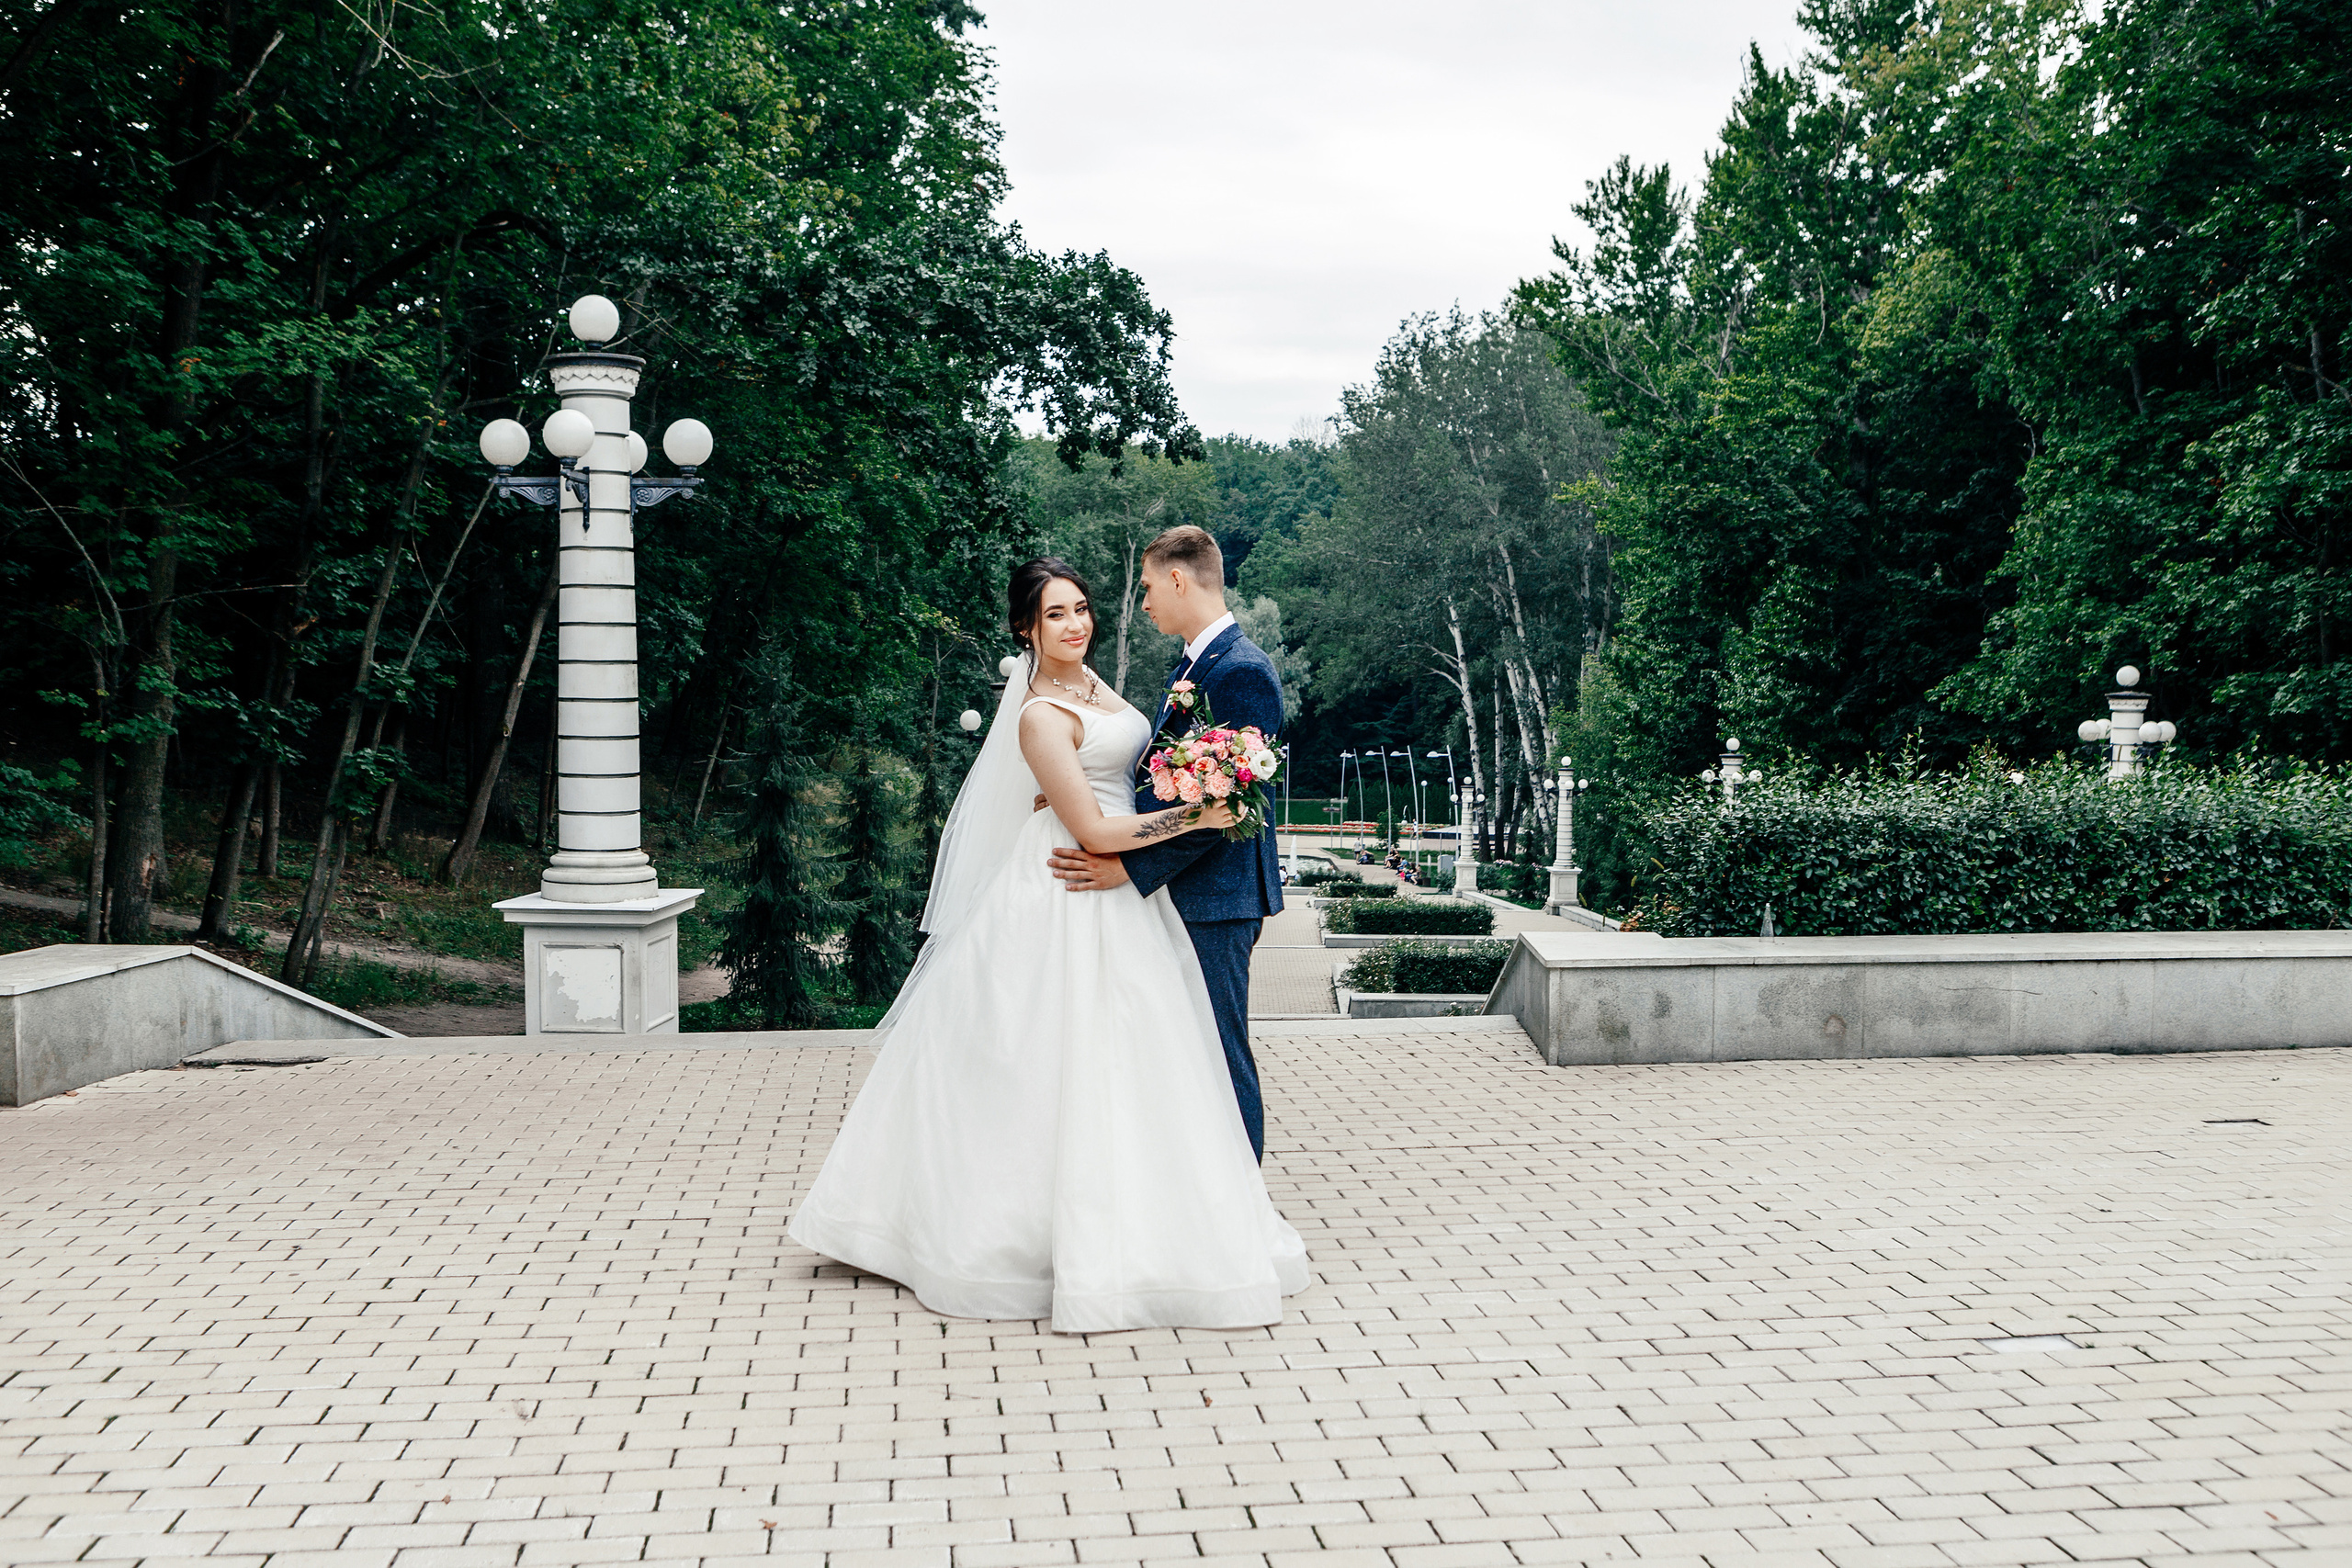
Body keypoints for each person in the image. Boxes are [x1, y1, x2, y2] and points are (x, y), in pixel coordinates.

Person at [786, 558, 1307, 1333]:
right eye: (1056, 614)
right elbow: (1095, 827)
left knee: (1150, 1058)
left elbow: (1126, 772)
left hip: (1124, 892)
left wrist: (1183, 797)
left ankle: (1182, 1212)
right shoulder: (1037, 713)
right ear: (1026, 629)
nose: (1076, 623)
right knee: (1044, 1061)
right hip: (1071, 882)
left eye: (1082, 608)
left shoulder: (1098, 688)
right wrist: (1197, 817)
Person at [1044, 526, 1287, 1161]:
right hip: (1192, 889)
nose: (1143, 602)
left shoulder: (1241, 672)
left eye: (1148, 587)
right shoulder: (1194, 664)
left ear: (1179, 579)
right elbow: (1167, 775)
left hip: (1218, 895)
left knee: (1218, 1048)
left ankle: (1245, 1208)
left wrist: (1130, 867)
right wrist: (1077, 791)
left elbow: (1232, 805)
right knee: (1186, 1051)